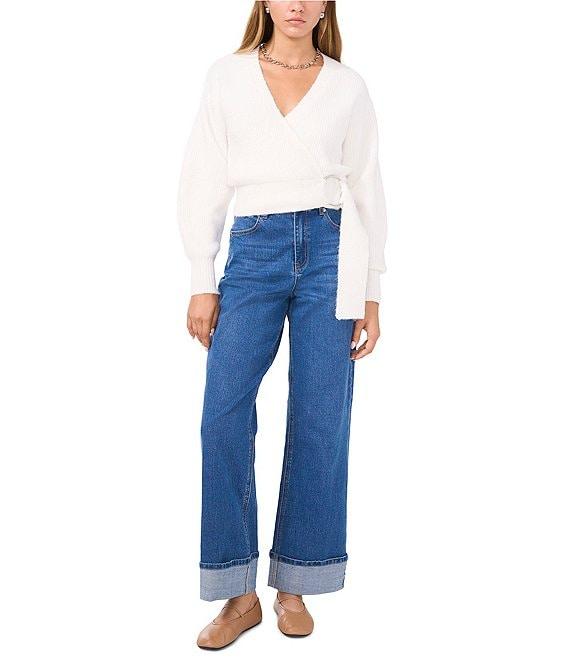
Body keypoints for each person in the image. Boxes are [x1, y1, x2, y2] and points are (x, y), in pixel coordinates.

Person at [177, 1, 387, 649]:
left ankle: (295, 582)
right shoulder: (228, 76)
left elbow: (368, 185)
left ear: (326, 5)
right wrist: (202, 276)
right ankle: (238, 593)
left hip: (333, 249)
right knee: (222, 415)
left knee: (323, 414)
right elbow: (203, 176)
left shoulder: (348, 86)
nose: (297, 4)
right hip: (255, 247)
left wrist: (372, 289)